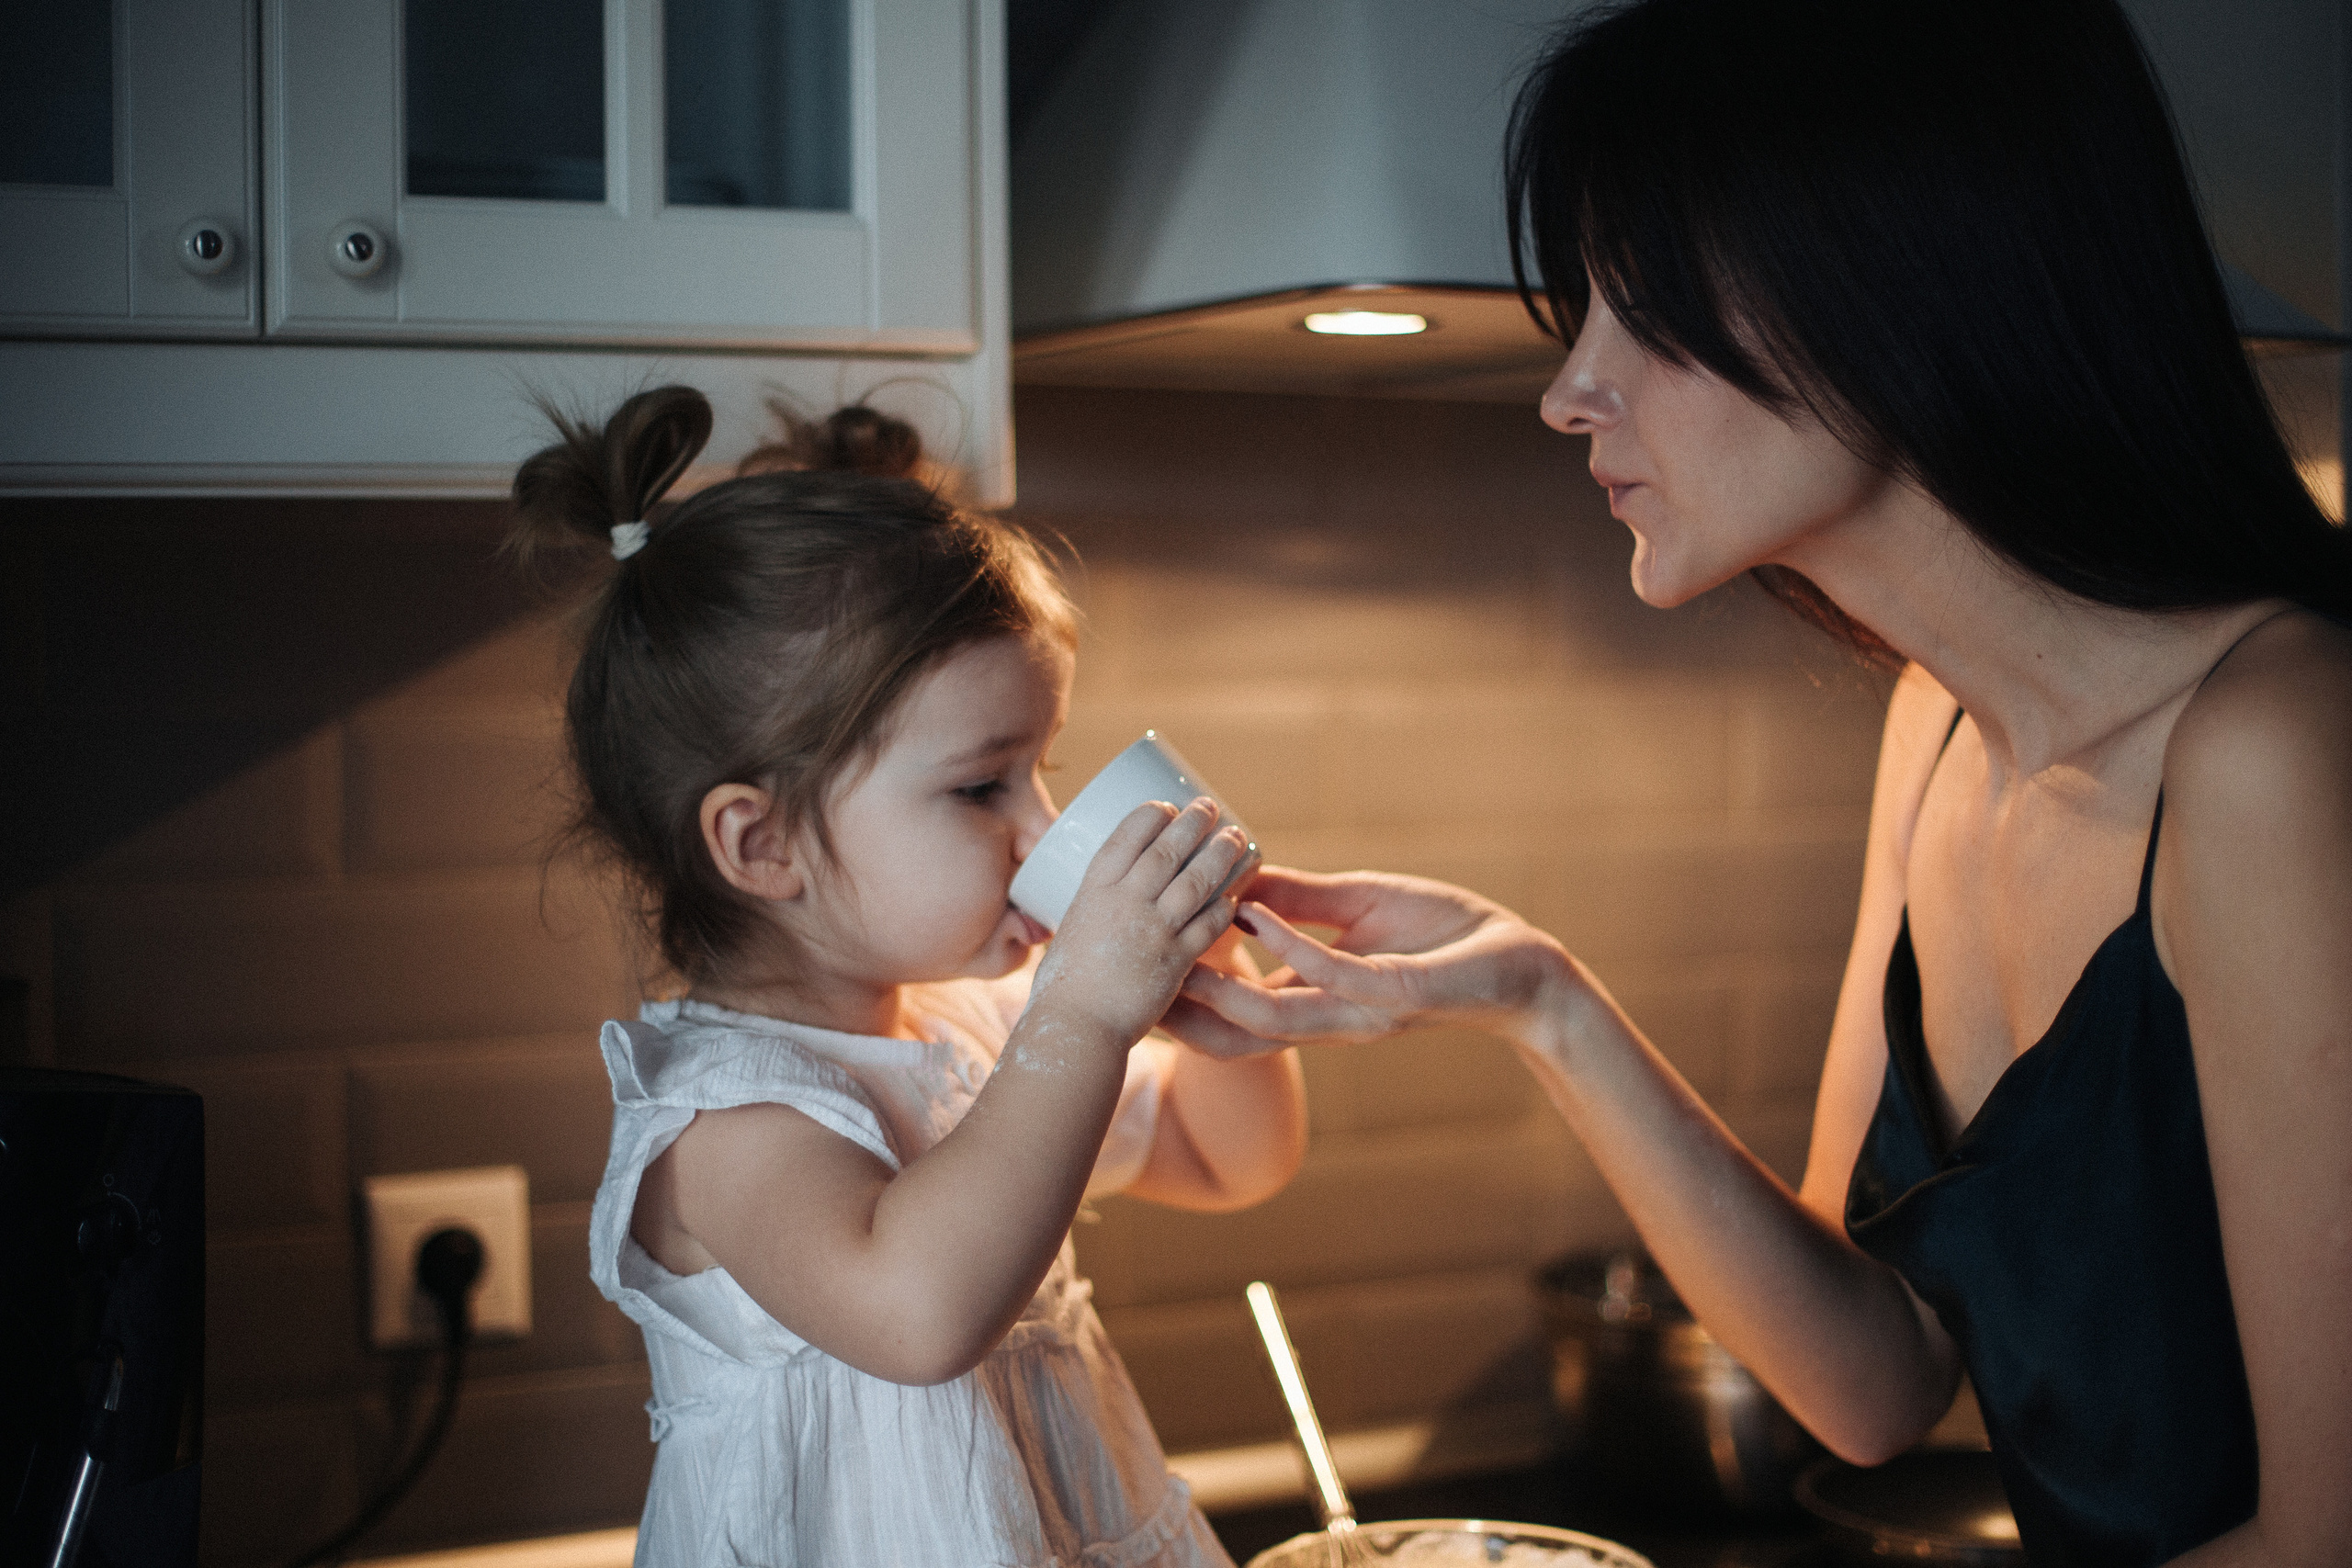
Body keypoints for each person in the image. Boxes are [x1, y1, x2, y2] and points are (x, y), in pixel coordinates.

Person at [1169, 1, 2352, 1563]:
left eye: (1648, 304)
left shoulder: (2277, 749)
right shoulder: (1937, 731)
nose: (1569, 390)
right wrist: (1544, 1003)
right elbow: (1870, 1380)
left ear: (1902, 281)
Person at [512, 388, 1306, 1566]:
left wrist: (1211, 960)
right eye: (982, 787)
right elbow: (917, 1312)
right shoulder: (723, 1119)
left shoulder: (979, 1027)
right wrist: (1087, 1012)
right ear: (762, 845)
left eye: (1043, 769)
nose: (1043, 828)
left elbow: (1227, 1159)